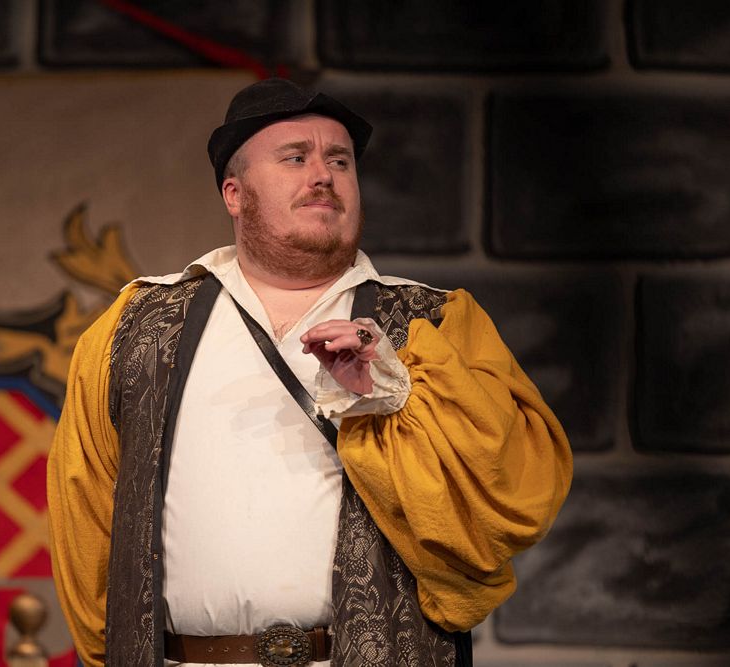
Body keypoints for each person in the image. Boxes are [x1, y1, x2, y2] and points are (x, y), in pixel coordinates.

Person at [47, 78, 572, 667]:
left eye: (340, 161)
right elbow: (85, 511)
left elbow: (515, 491)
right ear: (234, 194)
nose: (323, 175)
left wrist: (397, 395)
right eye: (295, 158)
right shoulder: (134, 326)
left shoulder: (436, 322)